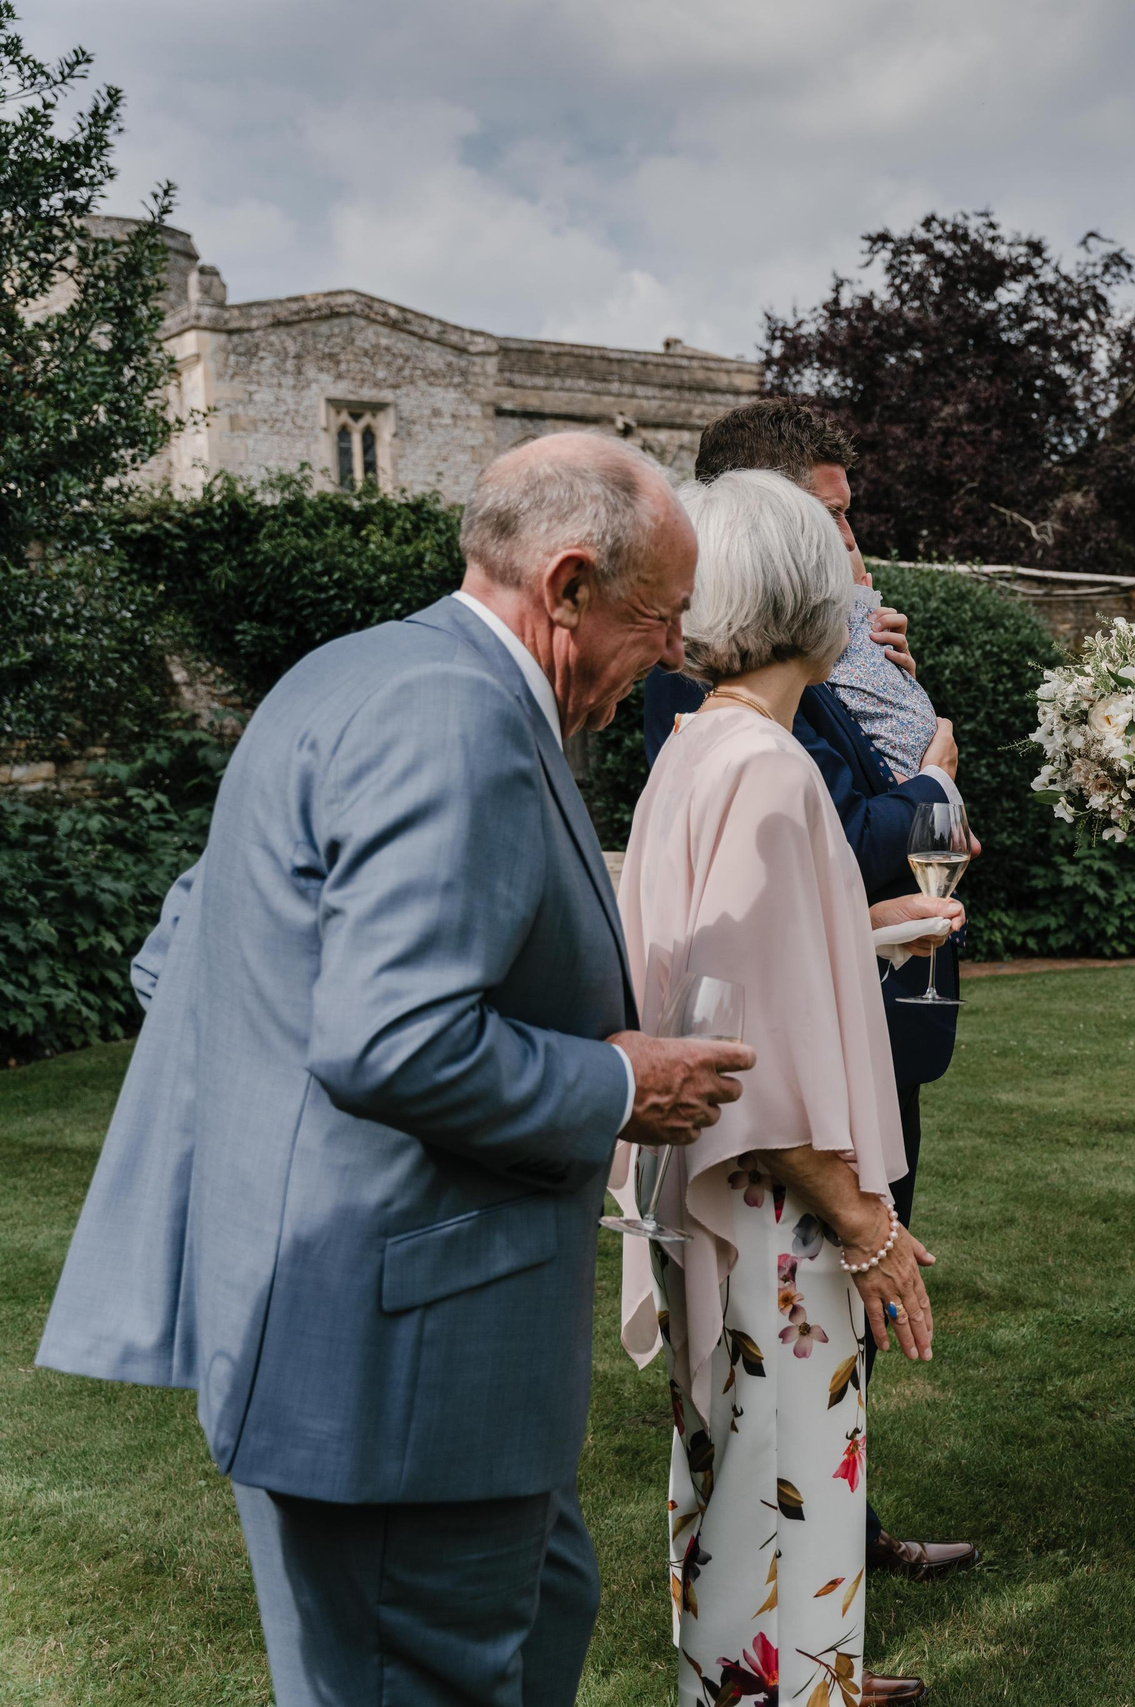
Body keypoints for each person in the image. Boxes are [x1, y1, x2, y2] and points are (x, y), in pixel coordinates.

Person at [35, 432, 754, 1705]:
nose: (675, 653)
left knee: (543, 1612)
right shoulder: (453, 716)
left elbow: (182, 952)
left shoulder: (348, 671)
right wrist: (618, 1086)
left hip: (376, 1342)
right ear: (569, 586)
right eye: (662, 618)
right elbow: (393, 1040)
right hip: (400, 1372)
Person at [615, 470, 958, 1707]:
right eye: (842, 574)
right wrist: (866, 1226)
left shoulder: (701, 745)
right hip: (772, 1193)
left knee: (737, 1460)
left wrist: (860, 935)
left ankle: (787, 1675)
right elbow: (741, 1044)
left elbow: (714, 969)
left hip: (714, 1183)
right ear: (810, 601)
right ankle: (792, 1686)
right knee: (787, 1456)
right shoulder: (766, 765)